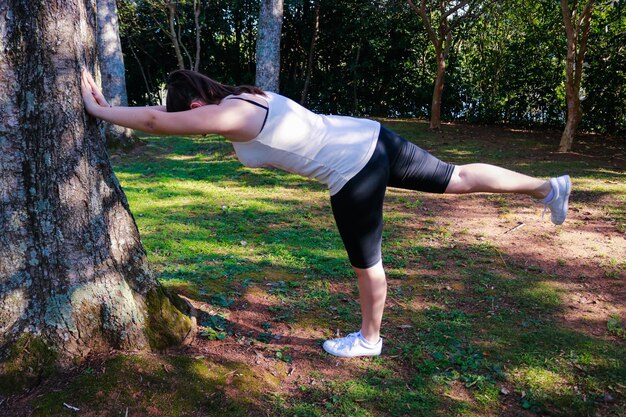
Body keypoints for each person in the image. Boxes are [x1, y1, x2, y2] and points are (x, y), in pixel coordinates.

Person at [81, 69, 571, 358]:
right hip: (371, 137)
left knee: (367, 263)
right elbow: (162, 115)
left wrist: (103, 111)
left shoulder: (232, 113)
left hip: (352, 170)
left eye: (188, 115)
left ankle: (370, 339)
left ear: (193, 105)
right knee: (457, 176)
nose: (192, 125)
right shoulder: (251, 95)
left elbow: (153, 120)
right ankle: (547, 188)